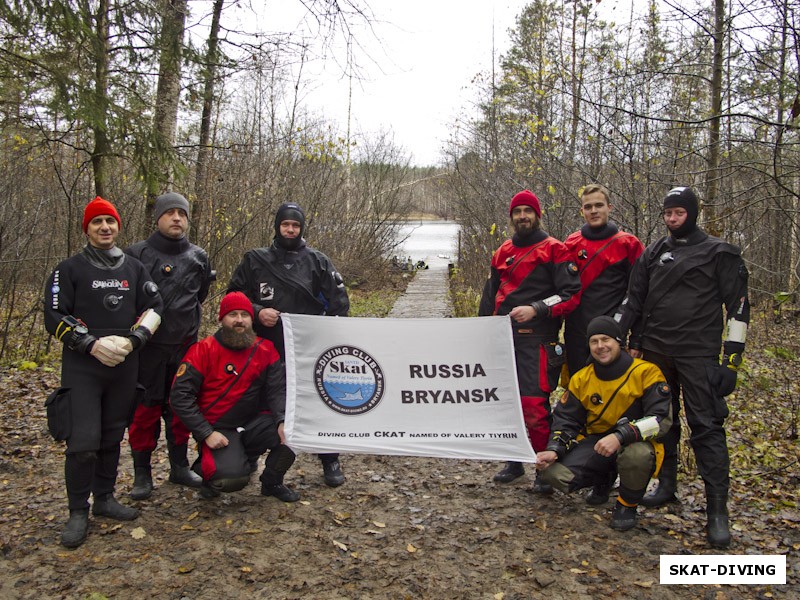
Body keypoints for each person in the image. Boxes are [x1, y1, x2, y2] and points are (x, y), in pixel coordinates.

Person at [615, 186, 750, 548]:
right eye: (668, 214)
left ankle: (717, 512)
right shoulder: (654, 251)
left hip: (699, 355)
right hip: (657, 354)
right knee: (661, 422)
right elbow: (634, 299)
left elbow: (738, 308)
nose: (673, 220)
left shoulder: (720, 253)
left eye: (679, 213)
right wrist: (617, 335)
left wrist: (731, 361)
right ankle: (667, 484)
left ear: (692, 213)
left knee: (706, 427)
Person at [44, 197, 162, 548]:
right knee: (83, 441)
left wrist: (136, 340)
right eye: (97, 222)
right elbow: (54, 316)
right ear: (87, 228)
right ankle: (78, 510)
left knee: (112, 435)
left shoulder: (135, 269)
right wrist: (90, 344)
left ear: (118, 226)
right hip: (84, 366)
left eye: (109, 221)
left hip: (124, 365)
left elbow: (155, 307)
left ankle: (105, 499)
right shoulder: (68, 270)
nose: (104, 228)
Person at [227, 202, 350, 487]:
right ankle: (251, 457)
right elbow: (234, 297)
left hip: (307, 347)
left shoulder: (318, 261)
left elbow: (339, 304)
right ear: (277, 226)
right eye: (286, 225)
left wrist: (324, 334)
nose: (290, 230)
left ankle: (329, 457)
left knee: (318, 400)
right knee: (260, 402)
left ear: (302, 228)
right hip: (263, 346)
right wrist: (257, 311)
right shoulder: (254, 260)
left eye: (295, 225)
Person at [478, 190, 581, 491]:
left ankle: (543, 470)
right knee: (507, 403)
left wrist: (536, 309)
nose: (523, 216)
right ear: (510, 216)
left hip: (537, 340)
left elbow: (570, 295)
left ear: (538, 214)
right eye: (517, 211)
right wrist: (481, 331)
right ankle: (514, 460)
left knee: (534, 407)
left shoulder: (555, 250)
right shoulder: (501, 252)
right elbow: (490, 297)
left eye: (528, 211)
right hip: (503, 338)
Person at [535, 316, 672, 531]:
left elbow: (660, 421)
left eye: (606, 339)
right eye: (594, 341)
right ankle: (604, 479)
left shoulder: (646, 372)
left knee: (636, 456)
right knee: (553, 473)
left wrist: (620, 436)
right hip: (597, 442)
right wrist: (555, 449)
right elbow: (566, 419)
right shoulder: (581, 378)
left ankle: (627, 504)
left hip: (635, 441)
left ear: (619, 342)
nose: (600, 346)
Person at [124, 192, 214, 499]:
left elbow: (198, 295)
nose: (177, 218)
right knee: (144, 411)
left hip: (185, 347)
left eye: (182, 213)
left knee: (180, 409)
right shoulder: (136, 253)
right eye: (170, 212)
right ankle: (142, 474)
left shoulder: (198, 256)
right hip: (147, 348)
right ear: (158, 217)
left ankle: (178, 466)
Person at [169, 292, 299, 502]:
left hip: (253, 422)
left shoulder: (265, 349)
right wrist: (205, 432)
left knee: (294, 434)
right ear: (222, 319)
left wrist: (283, 421)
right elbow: (179, 397)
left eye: (244, 315)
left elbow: (277, 391)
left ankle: (272, 482)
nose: (239, 320)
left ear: (251, 319)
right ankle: (209, 471)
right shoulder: (203, 350)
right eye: (233, 315)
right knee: (230, 481)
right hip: (218, 428)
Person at [563, 184, 643, 376]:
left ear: (609, 207)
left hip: (613, 333)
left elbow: (639, 295)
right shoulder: (570, 244)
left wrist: (637, 339)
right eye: (588, 207)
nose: (594, 211)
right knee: (578, 391)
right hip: (576, 334)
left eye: (599, 205)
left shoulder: (628, 244)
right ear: (582, 211)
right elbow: (561, 291)